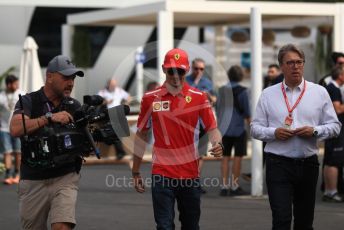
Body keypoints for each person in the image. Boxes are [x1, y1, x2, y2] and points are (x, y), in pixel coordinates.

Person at [251, 44, 341, 230]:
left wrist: (315, 131)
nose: (295, 66)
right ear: (281, 66)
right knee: (281, 220)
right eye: (290, 62)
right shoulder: (268, 94)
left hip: (307, 164)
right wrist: (273, 133)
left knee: (304, 222)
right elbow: (255, 128)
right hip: (278, 164)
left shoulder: (319, 92)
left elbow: (335, 127)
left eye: (299, 62)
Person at [132, 48, 223, 230]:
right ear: (164, 69)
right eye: (171, 70)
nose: (175, 75)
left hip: (190, 174)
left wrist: (217, 143)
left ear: (187, 70)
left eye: (180, 71)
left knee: (191, 225)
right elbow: (142, 134)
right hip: (161, 174)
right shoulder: (150, 98)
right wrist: (135, 171)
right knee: (164, 226)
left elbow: (213, 128)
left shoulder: (199, 97)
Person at [10, 55, 84, 230]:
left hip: (65, 176)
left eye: (73, 78)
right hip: (33, 179)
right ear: (49, 76)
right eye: (66, 77)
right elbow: (15, 129)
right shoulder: (29, 101)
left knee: (61, 226)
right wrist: (48, 118)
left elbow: (85, 139)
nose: (71, 83)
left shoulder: (74, 105)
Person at [216, 65, 250, 196]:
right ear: (240, 76)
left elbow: (218, 110)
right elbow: (246, 112)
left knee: (225, 158)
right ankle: (235, 186)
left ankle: (224, 186)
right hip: (239, 129)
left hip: (224, 129)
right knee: (237, 158)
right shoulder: (243, 91)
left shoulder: (221, 90)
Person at [185, 58, 217, 193]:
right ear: (191, 68)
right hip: (187, 123)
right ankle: (184, 181)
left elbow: (214, 101)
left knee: (200, 154)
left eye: (201, 69)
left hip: (202, 123)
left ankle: (195, 182)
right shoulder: (185, 81)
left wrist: (208, 95)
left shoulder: (207, 83)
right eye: (196, 68)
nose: (199, 71)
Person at [323, 66, 344, 202]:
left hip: (332, 129)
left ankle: (329, 191)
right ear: (340, 76)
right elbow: (338, 109)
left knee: (330, 160)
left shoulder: (332, 88)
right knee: (333, 161)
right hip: (334, 129)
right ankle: (331, 192)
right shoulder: (334, 89)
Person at [0, 75, 25, 184]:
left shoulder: (22, 94)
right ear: (9, 84)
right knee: (7, 152)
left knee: (18, 152)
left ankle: (17, 174)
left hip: (18, 128)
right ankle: (8, 174)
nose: (17, 85)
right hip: (4, 129)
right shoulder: (1, 96)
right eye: (15, 83)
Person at [98, 78, 131, 160]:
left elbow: (128, 97)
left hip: (118, 113)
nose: (114, 86)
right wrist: (105, 102)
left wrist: (125, 104)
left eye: (114, 84)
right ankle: (120, 152)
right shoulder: (103, 92)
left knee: (117, 133)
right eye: (112, 85)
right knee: (116, 132)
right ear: (108, 85)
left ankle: (120, 152)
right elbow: (97, 101)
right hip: (108, 114)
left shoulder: (119, 91)